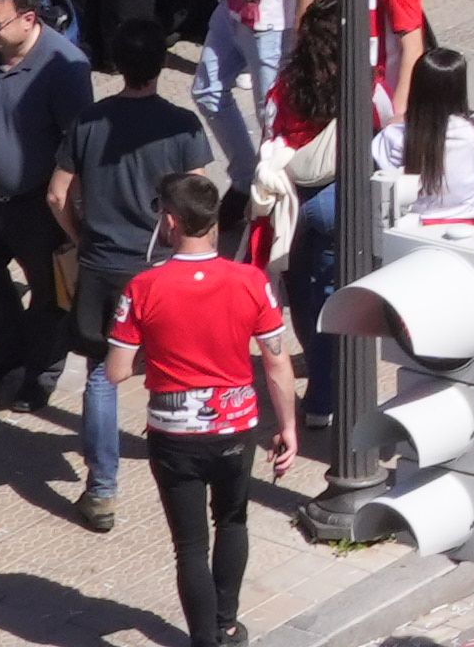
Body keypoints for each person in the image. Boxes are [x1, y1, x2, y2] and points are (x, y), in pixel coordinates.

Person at [106, 164, 298, 647]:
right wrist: (288, 428)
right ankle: (227, 623)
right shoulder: (251, 282)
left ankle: (203, 641)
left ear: (170, 222)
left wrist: (155, 345)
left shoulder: (142, 288)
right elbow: (276, 365)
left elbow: (116, 371)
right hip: (236, 428)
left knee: (190, 545)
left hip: (174, 435)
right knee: (232, 521)